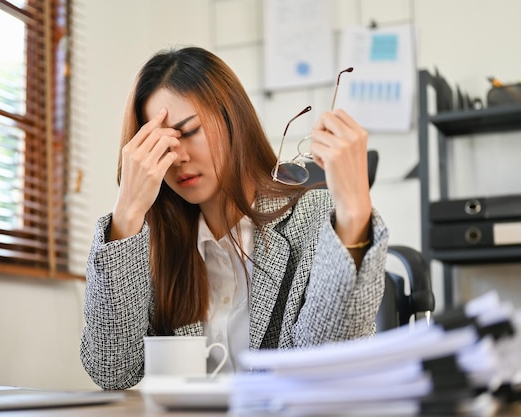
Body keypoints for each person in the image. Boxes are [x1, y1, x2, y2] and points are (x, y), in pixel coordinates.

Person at [80, 46, 388, 390]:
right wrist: (127, 213)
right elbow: (111, 370)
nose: (178, 157)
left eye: (189, 131)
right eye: (161, 145)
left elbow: (327, 372)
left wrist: (355, 211)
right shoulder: (146, 245)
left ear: (232, 118)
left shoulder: (315, 221)